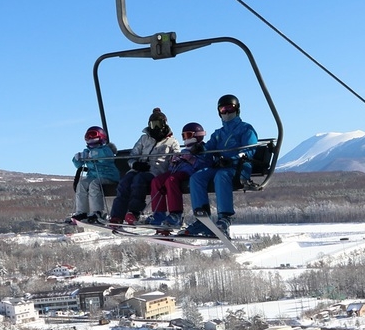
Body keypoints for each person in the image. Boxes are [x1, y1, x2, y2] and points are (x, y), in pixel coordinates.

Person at [184, 94, 257, 237]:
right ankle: (202, 219)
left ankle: (224, 218)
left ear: (237, 110)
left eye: (230, 108)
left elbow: (249, 149)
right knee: (197, 177)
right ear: (219, 112)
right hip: (221, 167)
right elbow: (209, 149)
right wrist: (200, 150)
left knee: (221, 175)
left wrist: (233, 159)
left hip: (239, 169)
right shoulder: (218, 134)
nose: (227, 112)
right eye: (224, 109)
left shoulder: (246, 129)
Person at [108, 108, 178, 225]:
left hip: (156, 171)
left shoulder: (171, 142)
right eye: (153, 124)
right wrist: (135, 164)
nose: (155, 127)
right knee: (125, 182)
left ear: (164, 124)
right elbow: (133, 155)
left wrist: (171, 166)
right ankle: (117, 215)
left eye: (158, 124)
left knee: (138, 181)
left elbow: (176, 157)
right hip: (139, 168)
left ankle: (134, 212)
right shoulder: (144, 139)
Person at [148, 122, 210, 231]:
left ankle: (176, 214)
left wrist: (192, 160)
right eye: (184, 136)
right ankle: (159, 214)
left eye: (188, 135)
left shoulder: (203, 149)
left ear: (197, 135)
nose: (186, 138)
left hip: (188, 172)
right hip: (177, 171)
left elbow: (205, 164)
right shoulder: (185, 150)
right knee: (157, 181)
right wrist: (174, 162)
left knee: (171, 180)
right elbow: (173, 168)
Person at [69, 126, 119, 225]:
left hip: (108, 176)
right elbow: (78, 165)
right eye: (89, 139)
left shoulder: (106, 150)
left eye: (94, 139)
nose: (91, 142)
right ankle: (82, 212)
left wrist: (94, 155)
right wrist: (77, 158)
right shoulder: (87, 151)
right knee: (82, 184)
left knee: (94, 185)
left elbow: (105, 159)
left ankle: (97, 212)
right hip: (93, 176)